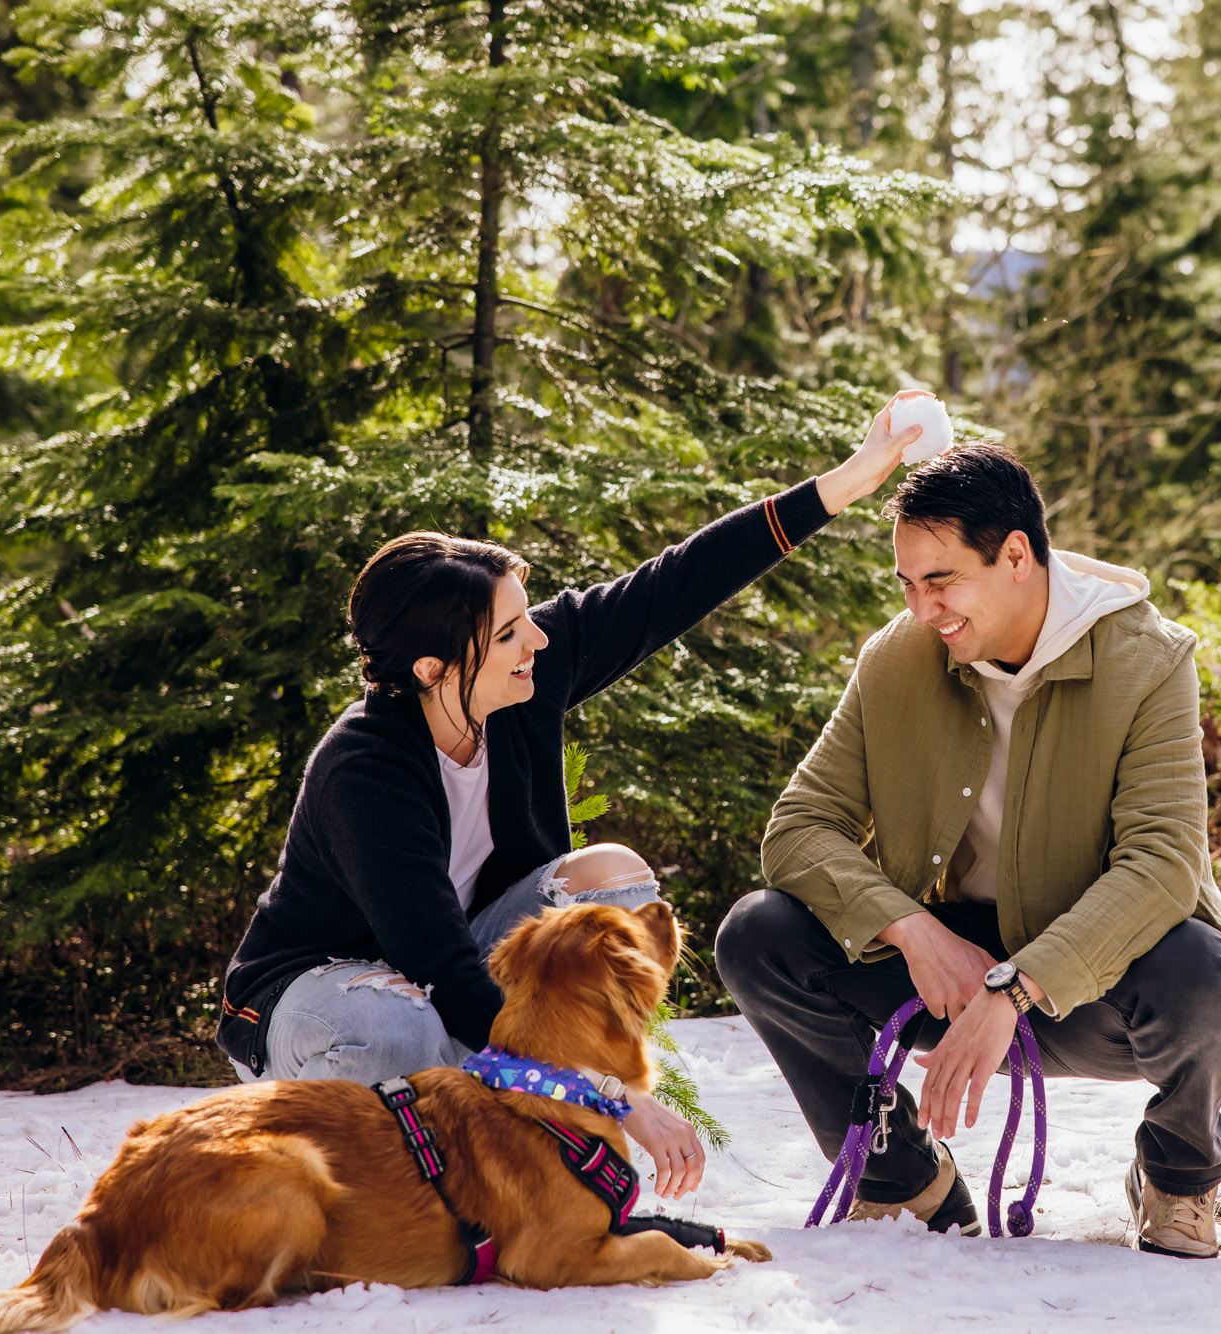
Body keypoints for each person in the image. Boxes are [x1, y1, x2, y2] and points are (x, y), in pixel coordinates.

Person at [215, 394, 929, 1199]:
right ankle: (376, 1186)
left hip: (446, 968)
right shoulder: (365, 768)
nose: (540, 641)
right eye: (513, 632)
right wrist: (615, 1100)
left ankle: (518, 1104)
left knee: (610, 879)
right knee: (401, 1024)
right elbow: (441, 967)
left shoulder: (523, 683)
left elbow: (674, 584)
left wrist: (847, 481)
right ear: (433, 669)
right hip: (325, 989)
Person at [716, 444, 1221, 1255]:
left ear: (1014, 556)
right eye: (907, 584)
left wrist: (1017, 989)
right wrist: (910, 929)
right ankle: (903, 1180)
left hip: (1091, 986)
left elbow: (1162, 864)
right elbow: (799, 826)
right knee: (759, 934)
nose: (923, 608)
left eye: (941, 581)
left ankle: (1179, 1176)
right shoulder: (896, 657)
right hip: (944, 977)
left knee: (1204, 977)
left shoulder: (1148, 660)